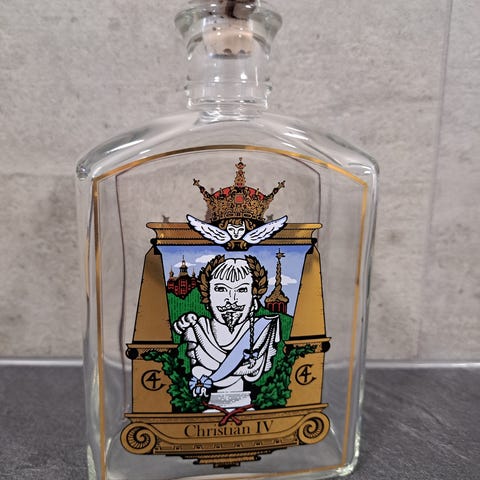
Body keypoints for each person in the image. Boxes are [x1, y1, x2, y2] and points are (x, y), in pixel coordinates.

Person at [173, 255, 280, 409]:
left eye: (242, 290)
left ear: (254, 299)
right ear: (207, 296)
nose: (231, 300)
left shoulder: (263, 329)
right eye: (221, 289)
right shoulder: (198, 330)